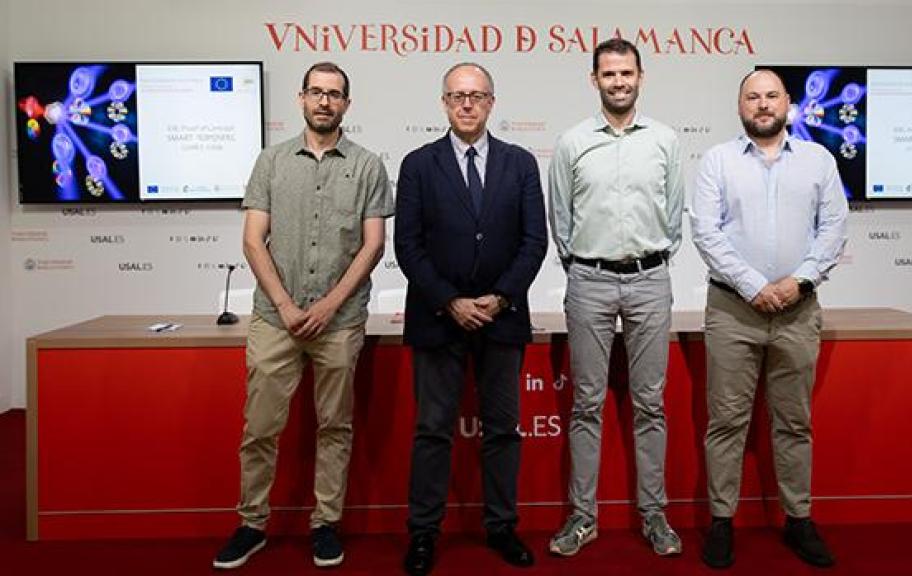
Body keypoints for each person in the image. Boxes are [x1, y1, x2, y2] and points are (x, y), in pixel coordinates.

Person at [212, 61, 394, 570]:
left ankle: (325, 524)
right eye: (316, 92)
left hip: (340, 321)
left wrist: (328, 305)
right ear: (301, 99)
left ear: (346, 104)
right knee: (259, 428)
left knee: (335, 426)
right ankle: (252, 524)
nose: (324, 101)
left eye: (334, 94)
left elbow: (373, 246)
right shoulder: (271, 162)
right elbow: (253, 240)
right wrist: (288, 306)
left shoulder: (368, 166)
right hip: (276, 319)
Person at [689, 68, 849, 569]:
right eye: (753, 97)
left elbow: (834, 228)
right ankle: (721, 522)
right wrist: (754, 286)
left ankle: (799, 520)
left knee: (794, 422)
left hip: (798, 312)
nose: (762, 104)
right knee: (726, 422)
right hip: (733, 311)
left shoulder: (819, 161)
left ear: (787, 103)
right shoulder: (717, 161)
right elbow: (706, 233)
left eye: (771, 96)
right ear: (740, 106)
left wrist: (799, 281)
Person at [394, 62, 547, 576]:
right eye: (457, 95)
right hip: (438, 318)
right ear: (444, 102)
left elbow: (534, 241)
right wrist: (451, 301)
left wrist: (499, 299)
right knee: (433, 430)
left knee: (502, 430)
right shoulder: (418, 164)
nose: (466, 104)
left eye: (477, 96)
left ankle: (502, 527)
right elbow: (407, 245)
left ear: (491, 103)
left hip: (502, 319)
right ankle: (423, 532)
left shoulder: (521, 163)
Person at [547, 38, 685, 558]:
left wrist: (649, 261)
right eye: (609, 74)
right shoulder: (572, 142)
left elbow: (674, 216)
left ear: (640, 77)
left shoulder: (665, 140)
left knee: (650, 404)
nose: (619, 82)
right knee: (586, 404)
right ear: (595, 80)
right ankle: (583, 518)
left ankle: (654, 516)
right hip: (589, 280)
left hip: (651, 280)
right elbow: (561, 219)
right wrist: (587, 266)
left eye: (626, 73)